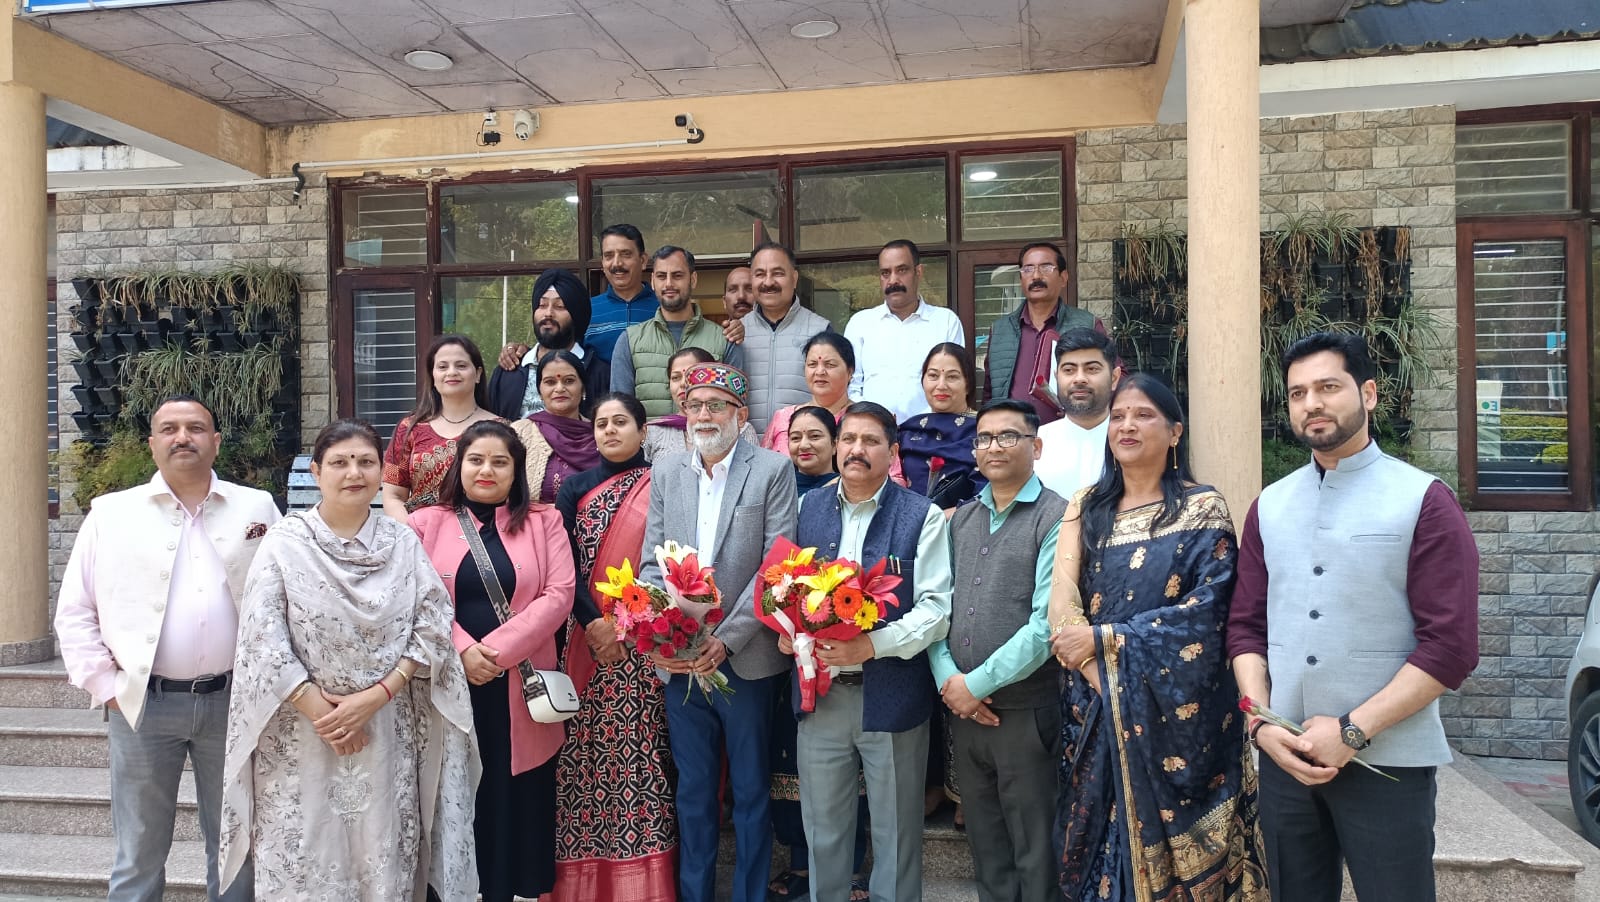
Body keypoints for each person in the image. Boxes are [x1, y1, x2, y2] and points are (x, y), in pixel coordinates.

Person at [1227, 332, 1479, 902]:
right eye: (1297, 393)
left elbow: (1451, 647)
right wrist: (1261, 724)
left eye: (1328, 387)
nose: (1311, 403)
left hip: (1387, 763)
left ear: (1368, 394)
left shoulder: (1424, 499)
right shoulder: (1270, 505)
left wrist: (1352, 731)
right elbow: (1245, 628)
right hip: (1286, 759)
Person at [219, 419, 479, 901]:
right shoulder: (285, 541)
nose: (354, 473)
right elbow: (261, 635)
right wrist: (326, 713)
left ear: (382, 472)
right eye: (339, 462)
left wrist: (376, 696)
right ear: (317, 472)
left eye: (365, 462)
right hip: (300, 733)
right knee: (305, 855)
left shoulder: (402, 542)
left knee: (381, 853)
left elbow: (432, 624)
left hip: (386, 729)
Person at [1047, 374, 1267, 902]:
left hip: (1180, 720)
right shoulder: (1086, 506)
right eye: (1118, 416)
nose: (1127, 425)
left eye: (1144, 415)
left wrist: (1107, 640)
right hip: (1096, 705)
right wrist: (1101, 676)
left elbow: (1209, 612)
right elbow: (1062, 599)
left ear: (1175, 432)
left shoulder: (1203, 508)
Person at [54, 395, 279, 902]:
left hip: (234, 702)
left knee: (236, 842)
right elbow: (76, 609)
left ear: (215, 441)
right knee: (139, 848)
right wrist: (107, 686)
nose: (183, 437)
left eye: (195, 428)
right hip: (142, 704)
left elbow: (286, 593)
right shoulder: (112, 514)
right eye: (170, 428)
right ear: (152, 443)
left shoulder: (257, 507)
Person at [636, 362, 798, 902]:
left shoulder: (772, 469)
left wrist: (725, 639)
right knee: (694, 791)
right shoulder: (667, 472)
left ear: (740, 414)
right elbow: (653, 563)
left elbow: (777, 565)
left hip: (745, 659)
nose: (703, 415)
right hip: (680, 661)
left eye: (715, 406)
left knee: (750, 790)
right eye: (694, 405)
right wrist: (667, 636)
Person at [790, 401, 954, 902]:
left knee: (897, 836)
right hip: (820, 698)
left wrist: (871, 645)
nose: (856, 450)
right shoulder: (807, 509)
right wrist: (788, 629)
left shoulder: (921, 515)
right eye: (848, 439)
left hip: (893, 694)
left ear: (893, 452)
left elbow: (936, 610)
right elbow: (787, 586)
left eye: (870, 441)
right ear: (836, 447)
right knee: (823, 833)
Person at [410, 421, 576, 902]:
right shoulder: (426, 523)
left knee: (510, 794)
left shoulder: (544, 521)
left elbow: (559, 594)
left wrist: (496, 654)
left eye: (500, 462)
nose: (487, 470)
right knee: (452, 791)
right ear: (459, 465)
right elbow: (415, 597)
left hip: (518, 687)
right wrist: (463, 649)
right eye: (476, 460)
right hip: (448, 682)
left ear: (516, 470)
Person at [930, 399, 1065, 902]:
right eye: (984, 438)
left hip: (1025, 711)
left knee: (1034, 846)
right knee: (985, 843)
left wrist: (975, 685)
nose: (994, 447)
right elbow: (936, 608)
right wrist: (950, 682)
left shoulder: (1058, 517)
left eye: (1008, 436)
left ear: (1036, 446)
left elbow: (1045, 625)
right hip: (963, 711)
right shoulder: (960, 519)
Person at [552, 392, 677, 901]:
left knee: (640, 756)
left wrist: (626, 625)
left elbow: (668, 560)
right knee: (580, 760)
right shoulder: (574, 487)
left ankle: (643, 885)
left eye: (620, 422)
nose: (609, 430)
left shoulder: (664, 483)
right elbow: (562, 564)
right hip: (585, 643)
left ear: (643, 431)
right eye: (601, 423)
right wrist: (594, 624)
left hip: (643, 646)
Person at [766, 403, 871, 902]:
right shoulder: (786, 496)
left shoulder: (852, 494)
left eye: (815, 436)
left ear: (836, 443)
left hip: (853, 654)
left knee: (853, 772)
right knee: (792, 762)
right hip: (794, 656)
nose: (804, 445)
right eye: (795, 437)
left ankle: (850, 868)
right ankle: (801, 862)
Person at [611, 245, 746, 418]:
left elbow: (734, 409)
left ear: (693, 279)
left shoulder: (724, 340)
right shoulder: (630, 341)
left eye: (677, 276)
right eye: (661, 276)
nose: (669, 283)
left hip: (707, 435)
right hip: (649, 436)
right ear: (653, 281)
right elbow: (620, 411)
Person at [980, 241, 1104, 425]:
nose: (1036, 275)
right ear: (1021, 278)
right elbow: (989, 393)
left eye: (1046, 267)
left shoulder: (1088, 325)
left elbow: (1111, 379)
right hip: (1012, 435)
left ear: (1063, 277)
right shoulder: (1000, 330)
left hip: (1070, 431)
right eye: (1028, 269)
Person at [844, 240, 965, 424]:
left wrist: (921, 423)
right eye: (885, 273)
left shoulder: (945, 321)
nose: (893, 280)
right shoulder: (860, 323)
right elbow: (851, 385)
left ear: (918, 272)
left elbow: (954, 382)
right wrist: (876, 421)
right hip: (872, 431)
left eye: (902, 270)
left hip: (932, 430)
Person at [383, 334, 501, 520]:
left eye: (461, 366)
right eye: (442, 367)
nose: (452, 372)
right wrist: (412, 531)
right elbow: (393, 495)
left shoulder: (501, 430)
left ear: (478, 374)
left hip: (483, 530)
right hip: (419, 531)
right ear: (433, 375)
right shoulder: (409, 428)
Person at [489, 268, 610, 420]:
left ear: (577, 315)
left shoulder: (600, 374)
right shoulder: (510, 370)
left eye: (560, 306)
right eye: (542, 305)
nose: (548, 313)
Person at [741, 241, 835, 433]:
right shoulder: (737, 332)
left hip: (802, 445)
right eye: (760, 274)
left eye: (778, 273)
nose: (768, 282)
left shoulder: (820, 330)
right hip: (746, 446)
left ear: (794, 278)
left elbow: (835, 395)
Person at [898, 342, 985, 510]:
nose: (941, 385)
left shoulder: (985, 431)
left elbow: (991, 493)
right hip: (907, 520)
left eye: (952, 377)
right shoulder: (909, 431)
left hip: (966, 520)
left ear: (968, 383)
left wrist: (939, 519)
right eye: (933, 375)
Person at [1035, 327, 1121, 499]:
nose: (1079, 379)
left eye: (1092, 369)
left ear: (1114, 378)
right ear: (1056, 377)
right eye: (1069, 370)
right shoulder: (1034, 443)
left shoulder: (1132, 440)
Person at [511, 350, 600, 503]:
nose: (559, 388)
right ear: (540, 390)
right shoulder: (519, 434)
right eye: (550, 382)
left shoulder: (601, 433)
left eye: (569, 381)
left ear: (583, 388)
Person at [644, 346, 760, 461]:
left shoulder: (740, 428)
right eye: (675, 377)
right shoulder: (653, 431)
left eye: (692, 375)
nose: (683, 383)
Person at [762, 331, 854, 456]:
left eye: (830, 365)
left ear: (850, 372)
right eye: (812, 364)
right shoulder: (784, 418)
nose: (820, 372)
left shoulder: (863, 419)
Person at [586, 223, 659, 363]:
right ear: (602, 263)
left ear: (643, 260)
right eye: (609, 256)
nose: (617, 263)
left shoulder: (662, 307)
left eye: (626, 254)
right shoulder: (587, 310)